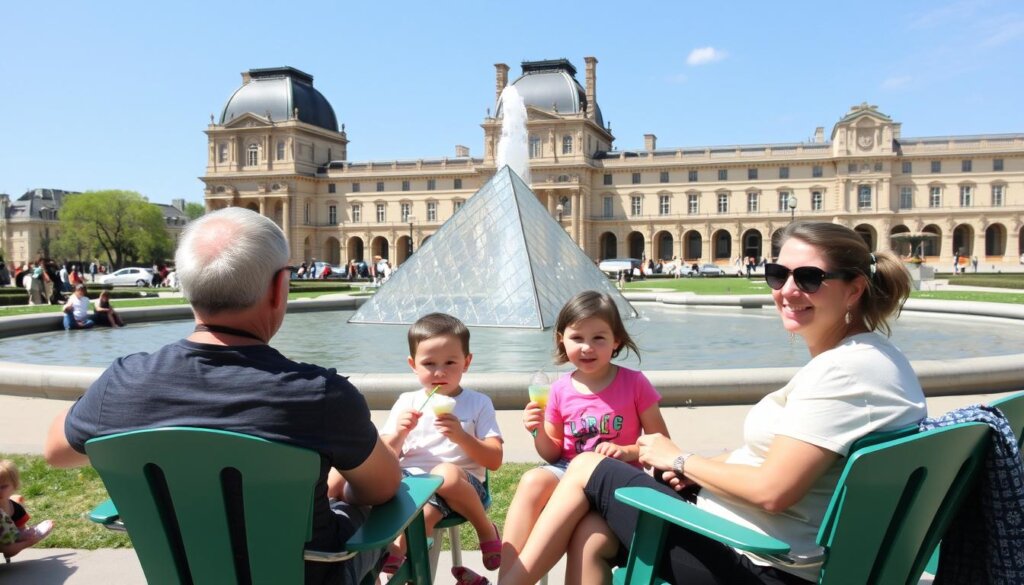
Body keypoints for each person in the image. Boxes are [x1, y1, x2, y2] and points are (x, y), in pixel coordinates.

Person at [473, 221, 926, 585]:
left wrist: (683, 460)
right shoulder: (868, 360)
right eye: (777, 274)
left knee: (588, 469)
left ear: (854, 289)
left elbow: (772, 491)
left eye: (809, 278)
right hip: (779, 546)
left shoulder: (845, 372)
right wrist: (693, 468)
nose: (787, 290)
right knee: (592, 534)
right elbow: (783, 461)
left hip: (765, 563)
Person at [44, 207, 401, 585]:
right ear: (280, 288)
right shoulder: (321, 395)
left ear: (185, 285)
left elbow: (57, 452)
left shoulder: (123, 381)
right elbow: (381, 488)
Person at [466, 291, 669, 585]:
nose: (587, 347)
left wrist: (626, 451)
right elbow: (552, 453)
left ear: (617, 341)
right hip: (567, 472)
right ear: (562, 339)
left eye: (599, 338)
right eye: (577, 338)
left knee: (587, 535)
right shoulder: (560, 389)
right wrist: (536, 430)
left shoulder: (634, 383)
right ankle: (504, 578)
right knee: (533, 480)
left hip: (616, 479)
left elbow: (661, 441)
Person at [337, 312, 503, 578]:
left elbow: (494, 459)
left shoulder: (478, 403)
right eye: (429, 364)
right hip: (410, 486)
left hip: (462, 487)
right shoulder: (407, 402)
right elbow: (384, 456)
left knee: (445, 475)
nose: (440, 372)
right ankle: (400, 562)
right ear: (413, 364)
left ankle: (485, 529)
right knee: (418, 512)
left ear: (467, 362)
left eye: (450, 362)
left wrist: (461, 436)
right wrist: (400, 434)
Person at [0, 459, 54, 560]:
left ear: (14, 486)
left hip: (6, 542)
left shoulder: (16, 510)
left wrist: (26, 536)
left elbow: (20, 532)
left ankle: (30, 541)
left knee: (10, 548)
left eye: (3, 487)